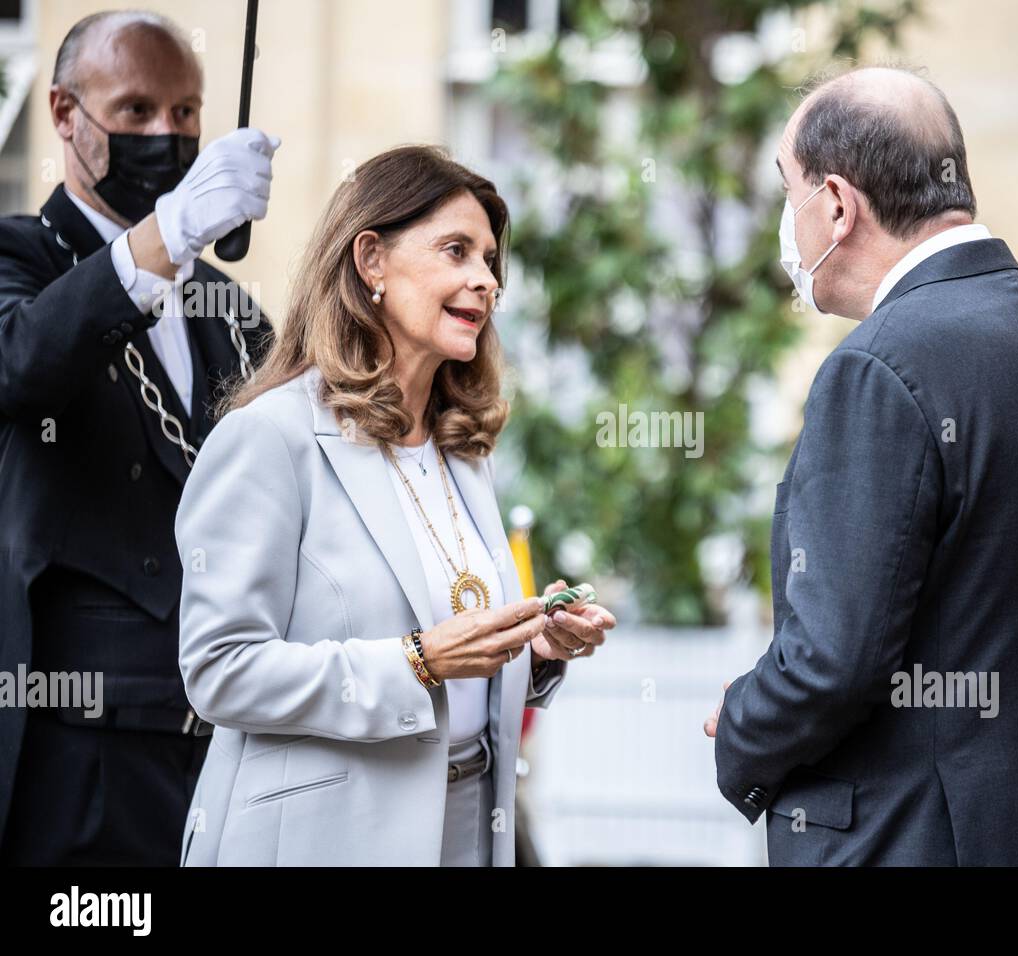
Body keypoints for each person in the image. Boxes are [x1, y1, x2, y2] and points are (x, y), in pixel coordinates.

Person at [705, 66, 1018, 866]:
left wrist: (741, 721)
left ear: (838, 205)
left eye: (788, 192)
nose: (787, 224)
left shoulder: (876, 366)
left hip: (924, 839)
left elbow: (831, 664)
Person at [173, 144, 616, 866]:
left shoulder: (461, 450)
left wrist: (533, 647)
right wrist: (414, 662)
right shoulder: (270, 439)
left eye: (490, 261)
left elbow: (456, 654)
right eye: (457, 251)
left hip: (469, 825)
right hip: (326, 841)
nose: (485, 280)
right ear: (370, 259)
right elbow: (220, 670)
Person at [0, 10, 277, 865]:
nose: (168, 134)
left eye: (187, 113)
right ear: (64, 114)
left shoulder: (228, 310)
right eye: (136, 112)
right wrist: (164, 238)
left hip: (215, 746)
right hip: (71, 747)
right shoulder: (20, 256)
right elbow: (25, 361)